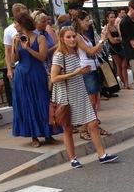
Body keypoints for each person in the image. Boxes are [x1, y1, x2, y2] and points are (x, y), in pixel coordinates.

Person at [51, 27, 119, 168]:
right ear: (62, 39)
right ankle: (73, 158)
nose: (72, 40)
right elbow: (54, 78)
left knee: (93, 123)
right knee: (68, 128)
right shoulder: (59, 55)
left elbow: (75, 72)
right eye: (68, 37)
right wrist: (74, 73)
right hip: (66, 95)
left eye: (74, 36)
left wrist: (81, 72)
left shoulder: (75, 53)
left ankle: (102, 155)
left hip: (80, 93)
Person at [11, 12, 60, 148]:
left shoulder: (40, 38)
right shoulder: (16, 38)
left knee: (42, 101)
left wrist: (28, 49)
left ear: (22, 24)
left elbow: (42, 57)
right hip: (22, 74)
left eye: (15, 23)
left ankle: (48, 134)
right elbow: (14, 59)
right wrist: (16, 45)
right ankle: (34, 136)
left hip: (36, 72)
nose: (14, 26)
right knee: (27, 103)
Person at [72, 10, 111, 139]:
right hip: (86, 69)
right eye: (86, 20)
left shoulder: (84, 35)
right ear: (79, 21)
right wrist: (102, 40)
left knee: (93, 101)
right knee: (90, 101)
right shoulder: (77, 36)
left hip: (92, 68)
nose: (89, 23)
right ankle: (84, 129)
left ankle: (93, 126)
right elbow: (91, 51)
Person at [104, 10, 130, 90]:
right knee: (119, 66)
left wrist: (118, 39)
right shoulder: (107, 28)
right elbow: (112, 40)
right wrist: (118, 39)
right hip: (114, 48)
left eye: (114, 17)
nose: (113, 19)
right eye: (111, 17)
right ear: (107, 18)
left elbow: (120, 37)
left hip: (120, 47)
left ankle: (126, 83)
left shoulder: (115, 26)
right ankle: (124, 83)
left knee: (124, 65)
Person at [4, 3, 28, 81]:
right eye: (22, 14)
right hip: (20, 63)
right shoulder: (9, 30)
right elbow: (7, 51)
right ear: (15, 14)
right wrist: (9, 69)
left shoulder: (30, 26)